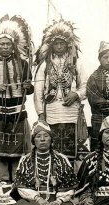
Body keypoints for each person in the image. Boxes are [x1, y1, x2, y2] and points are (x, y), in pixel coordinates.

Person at [0, 16, 34, 183]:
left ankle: (18, 176)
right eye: (1, 44)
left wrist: (27, 86)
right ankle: (2, 177)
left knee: (18, 144)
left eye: (8, 44)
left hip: (18, 111)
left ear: (13, 46)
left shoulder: (24, 64)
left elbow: (31, 89)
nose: (5, 46)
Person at [5, 121, 79, 205]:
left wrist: (58, 201)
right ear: (33, 140)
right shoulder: (25, 160)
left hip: (56, 203)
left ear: (51, 139)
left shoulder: (62, 159)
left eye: (46, 136)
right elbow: (21, 187)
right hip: (34, 203)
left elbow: (69, 187)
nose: (42, 139)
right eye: (38, 136)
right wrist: (38, 199)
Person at [33, 19, 89, 163]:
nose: (59, 47)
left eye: (62, 43)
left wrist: (76, 94)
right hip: (51, 111)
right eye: (56, 43)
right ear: (51, 45)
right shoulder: (44, 64)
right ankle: (54, 175)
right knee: (53, 144)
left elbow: (85, 86)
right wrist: (40, 114)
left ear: (68, 44)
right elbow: (38, 91)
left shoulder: (76, 63)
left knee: (73, 144)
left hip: (71, 112)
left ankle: (71, 175)